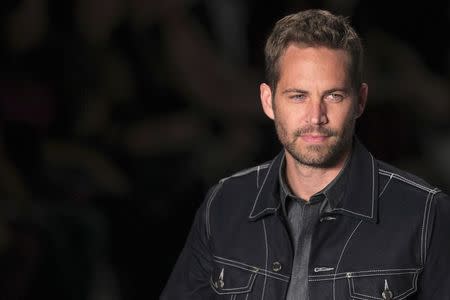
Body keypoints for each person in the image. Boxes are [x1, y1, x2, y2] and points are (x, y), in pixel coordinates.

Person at [160, 9, 450, 299]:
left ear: (360, 101)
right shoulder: (224, 205)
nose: (315, 116)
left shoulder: (425, 214)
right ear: (268, 101)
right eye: (298, 96)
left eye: (333, 95)